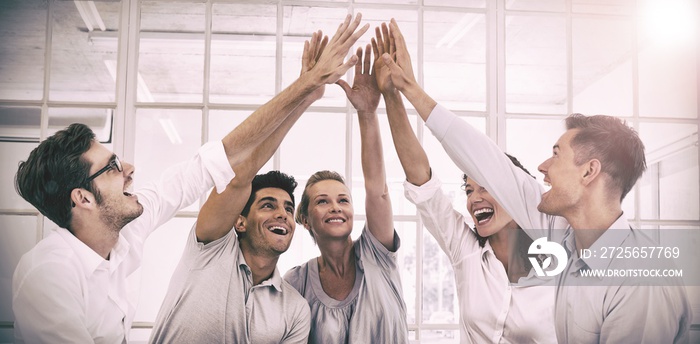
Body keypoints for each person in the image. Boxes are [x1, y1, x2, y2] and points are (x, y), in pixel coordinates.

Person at [12, 12, 369, 343]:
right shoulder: (47, 276)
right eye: (112, 167)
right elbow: (236, 176)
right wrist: (304, 86)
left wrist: (307, 91)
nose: (130, 170)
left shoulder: (124, 231)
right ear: (83, 198)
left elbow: (218, 162)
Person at [379, 18, 691, 343]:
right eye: (469, 188)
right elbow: (484, 160)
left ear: (589, 172)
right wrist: (408, 90)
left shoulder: (639, 278)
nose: (543, 166)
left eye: (556, 155)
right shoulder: (562, 240)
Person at [372, 23, 556, 343]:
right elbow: (422, 182)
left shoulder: (555, 249)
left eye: (485, 187)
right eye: (469, 190)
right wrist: (391, 95)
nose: (474, 199)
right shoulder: (466, 252)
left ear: (514, 193)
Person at [283, 45, 408, 343]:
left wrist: (367, 113)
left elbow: (377, 190)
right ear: (305, 219)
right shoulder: (296, 283)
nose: (336, 208)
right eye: (322, 202)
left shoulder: (376, 255)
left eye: (343, 200)